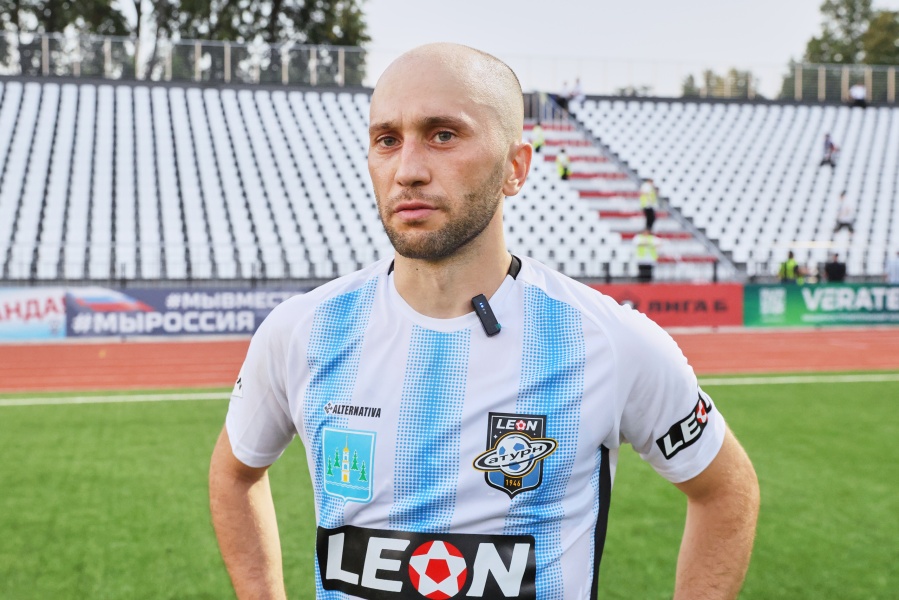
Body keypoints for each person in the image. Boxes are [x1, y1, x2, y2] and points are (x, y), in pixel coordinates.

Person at [209, 43, 759, 600]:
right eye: (387, 140)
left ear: (514, 169)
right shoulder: (300, 331)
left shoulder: (609, 340)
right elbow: (234, 473)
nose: (408, 171)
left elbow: (725, 490)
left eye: (443, 135)